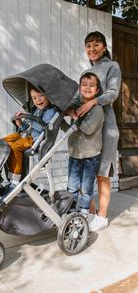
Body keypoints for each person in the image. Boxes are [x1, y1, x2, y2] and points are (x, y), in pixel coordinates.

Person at [69, 31, 122, 231]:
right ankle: (88, 212)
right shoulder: (85, 72)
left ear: (104, 47)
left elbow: (112, 94)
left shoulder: (112, 66)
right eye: (88, 45)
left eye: (96, 44)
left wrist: (92, 102)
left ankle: (102, 216)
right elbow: (76, 98)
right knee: (85, 174)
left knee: (102, 174)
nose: (92, 48)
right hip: (86, 131)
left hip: (106, 128)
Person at [2, 85, 57, 196]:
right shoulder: (35, 110)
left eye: (41, 96)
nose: (38, 100)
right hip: (25, 135)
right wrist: (20, 123)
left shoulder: (51, 111)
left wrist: (27, 117)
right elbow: (25, 128)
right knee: (3, 142)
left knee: (16, 146)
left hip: (35, 139)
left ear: (47, 96)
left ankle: (15, 180)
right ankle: (1, 175)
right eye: (34, 98)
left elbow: (42, 128)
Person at [63, 72, 104, 217]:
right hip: (74, 153)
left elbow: (88, 129)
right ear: (80, 88)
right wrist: (62, 116)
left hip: (90, 155)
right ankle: (71, 210)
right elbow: (68, 129)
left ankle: (85, 212)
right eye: (84, 85)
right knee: (72, 185)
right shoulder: (75, 106)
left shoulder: (97, 109)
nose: (87, 88)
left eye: (92, 85)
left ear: (97, 90)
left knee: (86, 187)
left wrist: (74, 116)